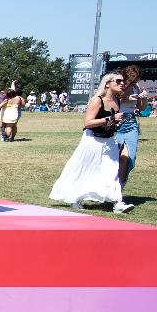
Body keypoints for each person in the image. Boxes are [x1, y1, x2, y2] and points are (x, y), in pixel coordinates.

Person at [50, 71, 125, 210]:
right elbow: (88, 123)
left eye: (123, 81)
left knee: (112, 169)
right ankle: (75, 198)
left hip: (109, 140)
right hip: (92, 139)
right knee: (84, 168)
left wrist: (116, 123)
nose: (122, 84)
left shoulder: (116, 100)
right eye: (118, 81)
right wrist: (110, 119)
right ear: (107, 84)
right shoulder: (97, 100)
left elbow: (111, 122)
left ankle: (117, 202)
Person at [113, 65, 150, 193]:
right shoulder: (118, 85)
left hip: (131, 124)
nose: (133, 82)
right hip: (116, 123)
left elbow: (141, 108)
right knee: (113, 157)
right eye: (131, 79)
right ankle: (111, 187)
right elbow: (110, 101)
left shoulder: (136, 87)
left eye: (135, 79)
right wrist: (126, 98)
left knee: (129, 158)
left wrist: (144, 98)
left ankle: (119, 189)